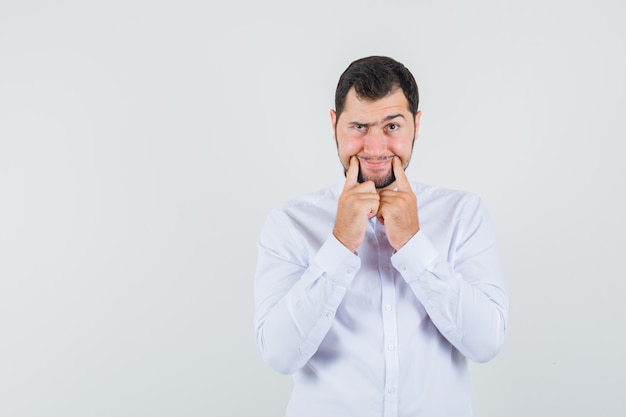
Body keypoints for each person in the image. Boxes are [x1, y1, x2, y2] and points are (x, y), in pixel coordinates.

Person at [253, 55, 508, 417]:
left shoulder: (463, 214)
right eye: (358, 126)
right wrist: (339, 243)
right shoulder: (290, 224)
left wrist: (414, 246)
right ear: (334, 125)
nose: (374, 149)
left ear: (416, 126)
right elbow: (279, 355)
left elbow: (486, 343)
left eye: (392, 126)